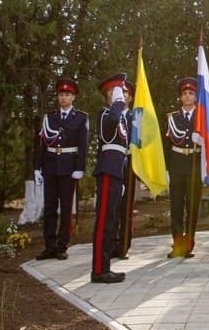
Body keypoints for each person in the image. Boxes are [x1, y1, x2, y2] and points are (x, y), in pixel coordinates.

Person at [34, 77, 89, 261]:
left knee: (65, 209)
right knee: (49, 208)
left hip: (68, 168)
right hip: (50, 167)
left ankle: (61, 246)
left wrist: (80, 167)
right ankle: (49, 247)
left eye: (67, 94)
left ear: (73, 97)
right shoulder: (49, 118)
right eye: (61, 94)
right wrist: (37, 168)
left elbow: (83, 145)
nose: (64, 97)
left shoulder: (81, 118)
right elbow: (42, 144)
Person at [89, 73, 135, 284]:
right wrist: (116, 104)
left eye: (123, 92)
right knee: (104, 221)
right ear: (110, 93)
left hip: (116, 172)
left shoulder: (122, 117)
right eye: (118, 91)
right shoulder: (105, 113)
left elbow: (123, 148)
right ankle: (99, 270)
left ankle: (104, 266)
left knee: (111, 220)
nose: (122, 96)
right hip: (107, 170)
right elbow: (108, 134)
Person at [165, 77, 201, 258]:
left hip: (195, 165)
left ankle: (189, 243)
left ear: (195, 97)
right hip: (177, 165)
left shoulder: (202, 117)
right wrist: (167, 168)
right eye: (185, 93)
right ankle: (178, 244)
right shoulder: (172, 117)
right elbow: (166, 145)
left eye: (191, 93)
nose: (187, 96)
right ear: (180, 97)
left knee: (193, 206)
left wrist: (202, 141)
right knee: (176, 206)